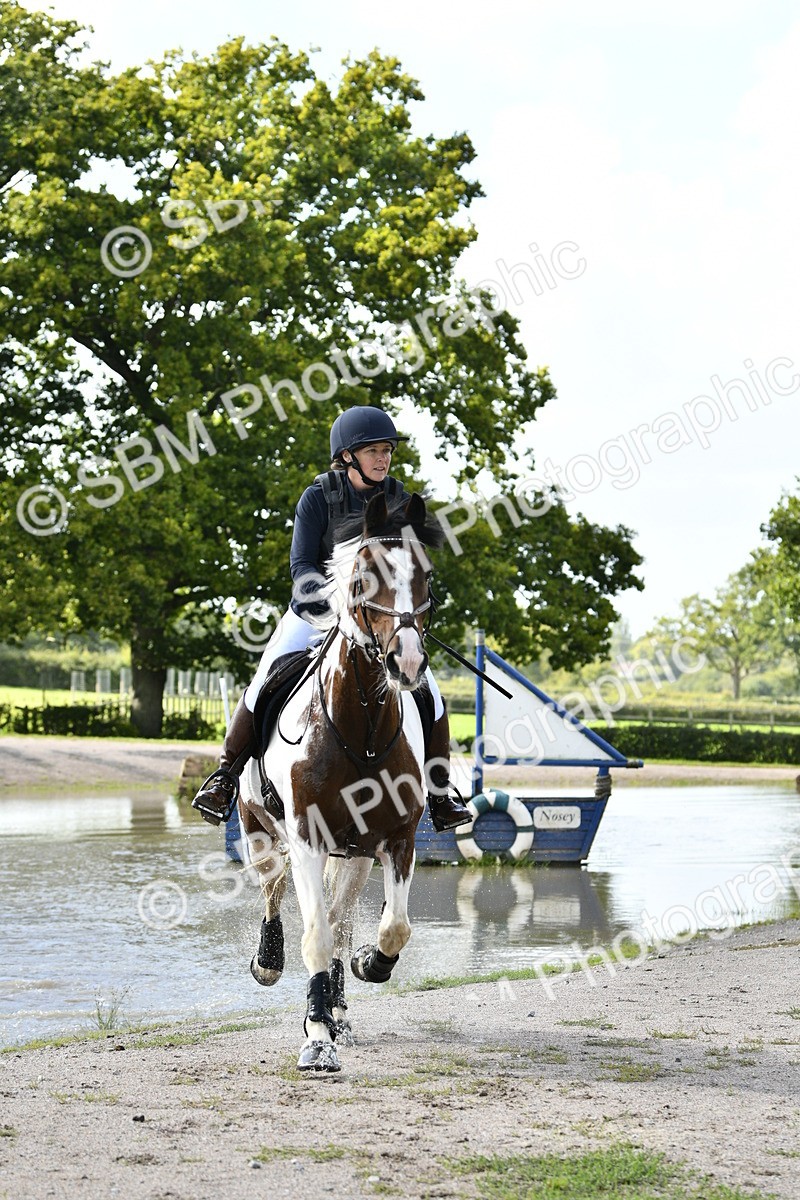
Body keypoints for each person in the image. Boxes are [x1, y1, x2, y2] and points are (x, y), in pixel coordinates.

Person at [192, 405, 471, 833]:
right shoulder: (317, 497)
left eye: (387, 451)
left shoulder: (399, 499)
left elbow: (410, 569)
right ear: (346, 456)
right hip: (315, 613)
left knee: (429, 691)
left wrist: (407, 613)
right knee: (266, 677)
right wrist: (335, 607)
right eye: (374, 451)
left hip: (380, 620)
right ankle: (225, 777)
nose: (383, 459)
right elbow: (302, 566)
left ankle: (439, 793)